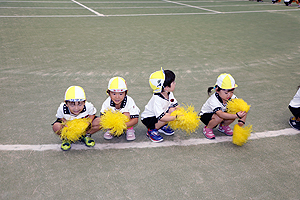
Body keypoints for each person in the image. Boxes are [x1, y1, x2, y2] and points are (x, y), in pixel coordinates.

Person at [199, 73, 248, 140]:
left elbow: (244, 108)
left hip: (221, 115)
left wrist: (241, 122)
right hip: (206, 116)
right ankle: (208, 128)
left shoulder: (232, 97)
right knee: (219, 117)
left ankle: (223, 127)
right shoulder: (213, 100)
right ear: (217, 90)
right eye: (226, 93)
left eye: (232, 92)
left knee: (233, 111)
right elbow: (220, 114)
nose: (229, 95)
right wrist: (236, 116)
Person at [52, 86, 100, 151]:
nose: (76, 108)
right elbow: (60, 117)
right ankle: (67, 138)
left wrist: (88, 122)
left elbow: (92, 114)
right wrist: (66, 123)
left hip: (84, 125)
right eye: (72, 105)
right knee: (56, 127)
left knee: (100, 121)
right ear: (66, 103)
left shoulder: (89, 106)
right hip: (69, 126)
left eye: (80, 104)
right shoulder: (61, 108)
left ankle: (85, 135)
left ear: (84, 102)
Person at [141, 68, 179, 142]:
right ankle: (151, 130)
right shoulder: (157, 99)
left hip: (160, 114)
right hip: (149, 118)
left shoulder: (169, 93)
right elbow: (161, 117)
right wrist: (176, 117)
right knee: (169, 116)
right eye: (173, 82)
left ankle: (161, 126)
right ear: (166, 88)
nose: (175, 83)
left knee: (173, 110)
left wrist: (181, 112)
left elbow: (174, 104)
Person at [100, 77, 140, 141]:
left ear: (125, 93)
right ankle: (110, 130)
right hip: (113, 125)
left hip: (126, 124)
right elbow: (102, 117)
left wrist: (122, 126)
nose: (117, 97)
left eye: (121, 94)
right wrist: (111, 126)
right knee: (108, 115)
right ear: (109, 93)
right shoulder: (107, 102)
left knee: (126, 114)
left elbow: (135, 120)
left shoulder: (130, 101)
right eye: (114, 93)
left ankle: (129, 130)